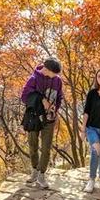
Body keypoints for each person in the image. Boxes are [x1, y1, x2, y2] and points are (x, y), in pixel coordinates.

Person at [20, 58, 64, 189]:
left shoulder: (57, 81)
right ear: (47, 70)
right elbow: (24, 97)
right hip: (34, 117)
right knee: (33, 145)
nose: (55, 76)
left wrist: (55, 110)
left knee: (46, 147)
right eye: (54, 73)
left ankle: (41, 174)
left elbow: (59, 97)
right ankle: (34, 170)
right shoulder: (33, 79)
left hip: (49, 118)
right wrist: (41, 100)